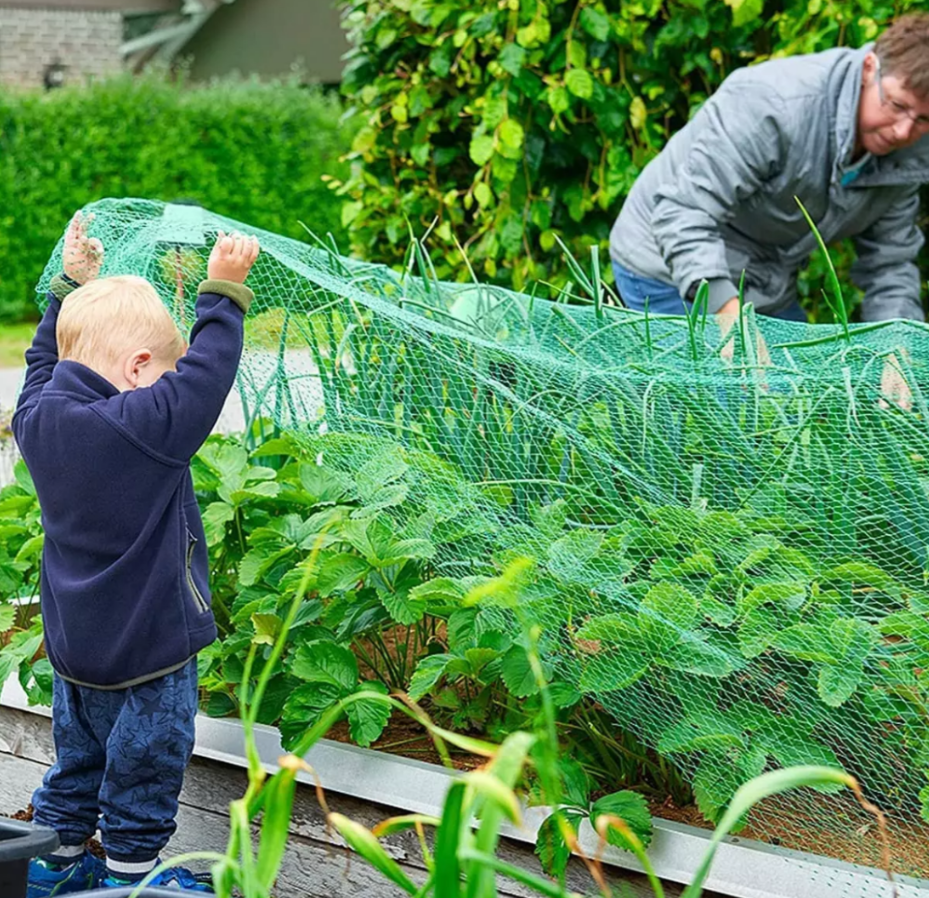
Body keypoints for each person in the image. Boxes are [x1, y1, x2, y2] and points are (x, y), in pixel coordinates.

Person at [17, 213, 260, 895]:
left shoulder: (36, 420)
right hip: (148, 654)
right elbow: (204, 383)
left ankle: (52, 869)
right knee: (144, 769)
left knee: (79, 765)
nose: (169, 386)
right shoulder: (141, 428)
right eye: (163, 373)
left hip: (76, 652)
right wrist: (223, 292)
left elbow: (42, 363)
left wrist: (66, 288)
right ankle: (132, 880)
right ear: (136, 370)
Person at [610, 13, 929, 405]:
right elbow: (682, 212)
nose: (903, 131)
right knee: (723, 420)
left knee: (796, 407)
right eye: (897, 105)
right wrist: (728, 315)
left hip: (761, 279)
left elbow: (890, 263)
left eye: (923, 119)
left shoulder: (910, 152)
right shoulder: (775, 104)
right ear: (869, 69)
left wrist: (894, 345)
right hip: (664, 262)